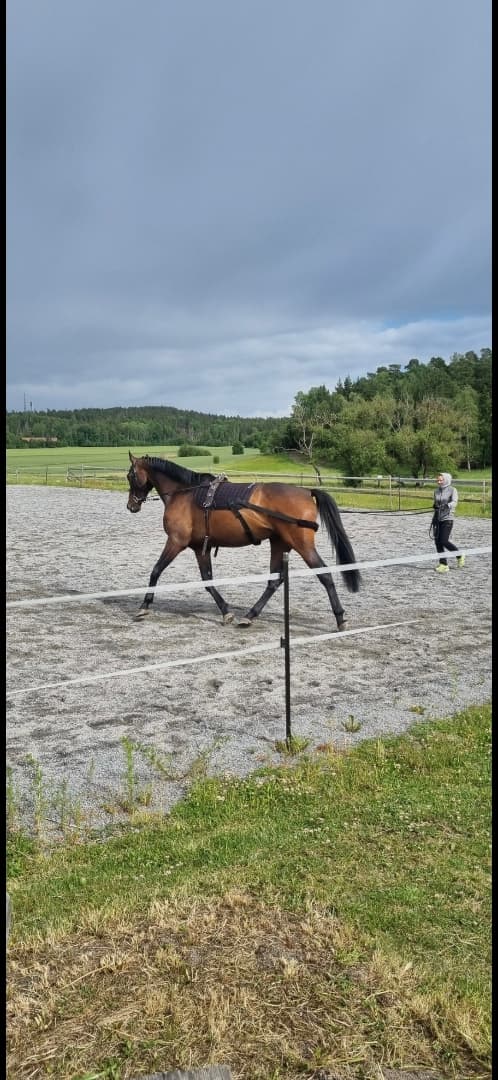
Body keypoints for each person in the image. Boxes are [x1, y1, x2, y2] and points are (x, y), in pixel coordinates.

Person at [431, 472, 464, 573]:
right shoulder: (436, 491)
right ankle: (443, 564)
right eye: (438, 480)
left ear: (446, 480)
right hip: (437, 518)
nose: (439, 482)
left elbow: (455, 502)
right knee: (437, 542)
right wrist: (435, 507)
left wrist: (447, 505)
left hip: (448, 518)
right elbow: (436, 503)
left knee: (444, 541)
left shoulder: (452, 490)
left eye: (441, 480)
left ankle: (459, 555)